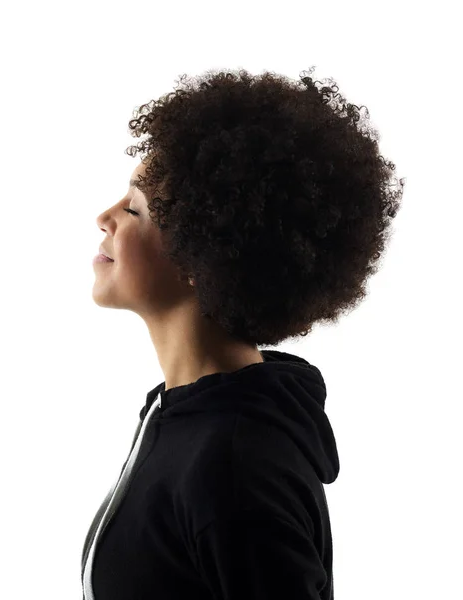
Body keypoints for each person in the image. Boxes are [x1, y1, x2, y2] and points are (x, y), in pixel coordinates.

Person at [82, 66, 404, 600]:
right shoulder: (181, 414)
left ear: (198, 257)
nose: (104, 217)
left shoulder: (234, 465)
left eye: (134, 208)